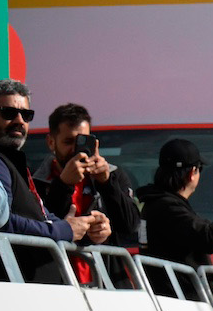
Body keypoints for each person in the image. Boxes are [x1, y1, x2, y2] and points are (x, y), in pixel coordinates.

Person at [0, 81, 105, 276]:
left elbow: (42, 218)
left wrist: (86, 230)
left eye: (26, 115)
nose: (19, 120)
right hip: (13, 295)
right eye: (8, 112)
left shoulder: (10, 161)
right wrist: (64, 230)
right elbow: (0, 222)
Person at [136, 138, 213, 276]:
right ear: (192, 173)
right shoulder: (167, 208)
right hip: (179, 296)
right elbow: (210, 238)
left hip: (170, 295)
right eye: (200, 169)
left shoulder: (156, 203)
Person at [40, 103, 141, 247]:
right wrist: (63, 184)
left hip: (101, 267)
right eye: (68, 142)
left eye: (83, 142)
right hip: (59, 266)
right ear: (51, 142)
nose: (76, 150)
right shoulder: (36, 180)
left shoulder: (113, 174)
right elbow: (40, 227)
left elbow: (130, 226)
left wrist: (106, 183)